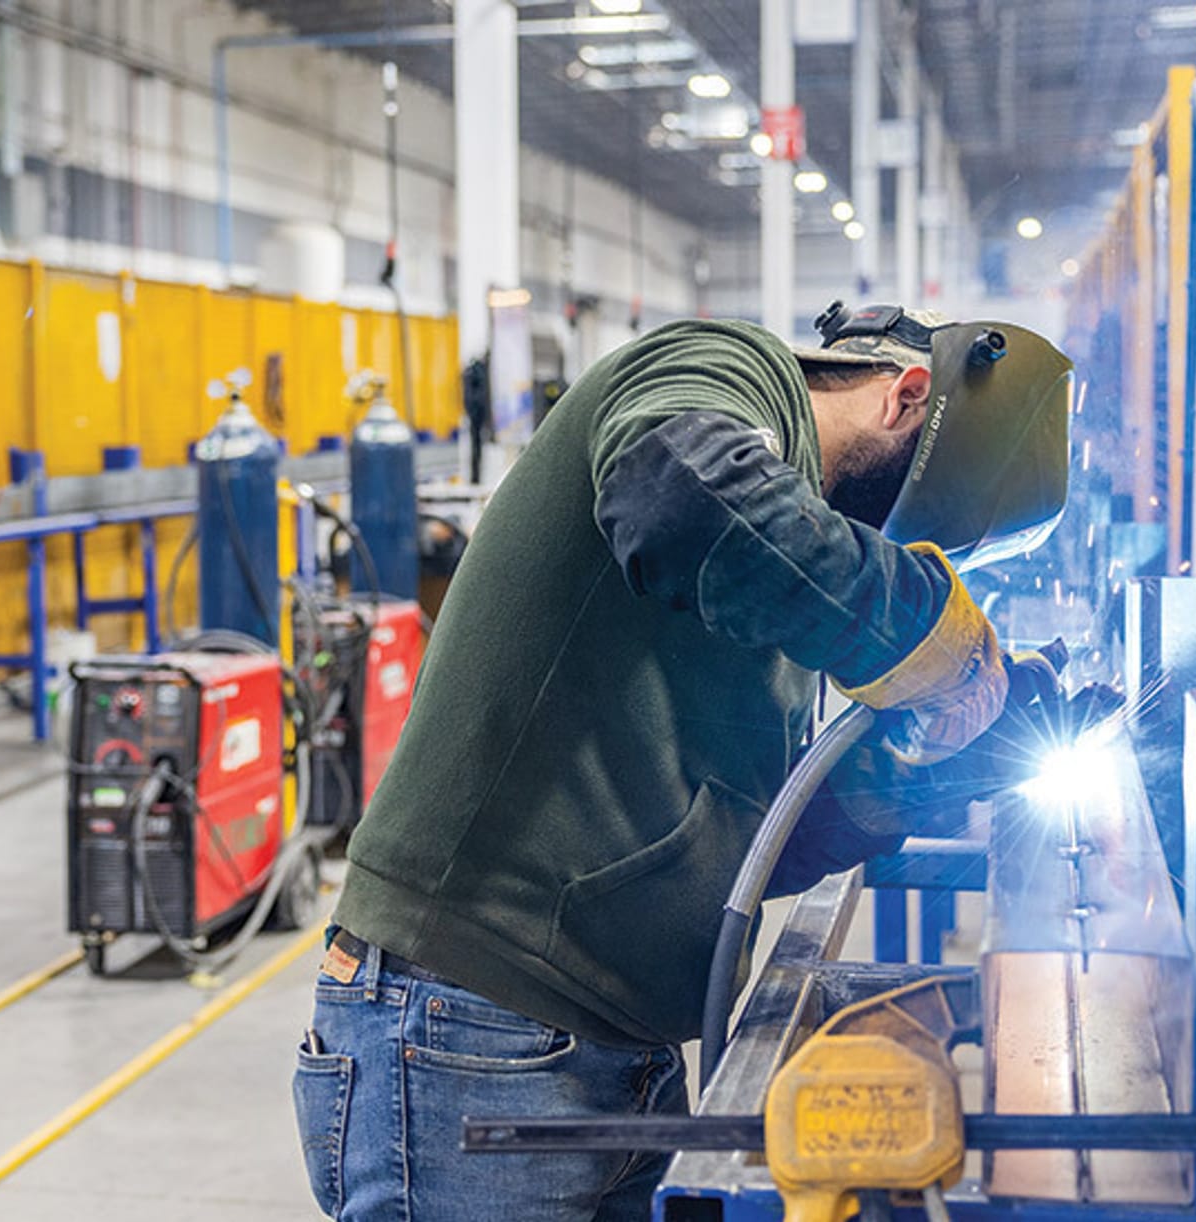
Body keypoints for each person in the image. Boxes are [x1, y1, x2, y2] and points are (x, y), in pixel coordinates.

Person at [292, 301, 1075, 1221]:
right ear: (905, 398)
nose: (877, 558)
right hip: (470, 1024)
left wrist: (936, 767)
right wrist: (918, 627)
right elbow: (671, 495)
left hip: (613, 1055)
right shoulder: (717, 369)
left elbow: (752, 839)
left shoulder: (771, 576)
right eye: (895, 538)